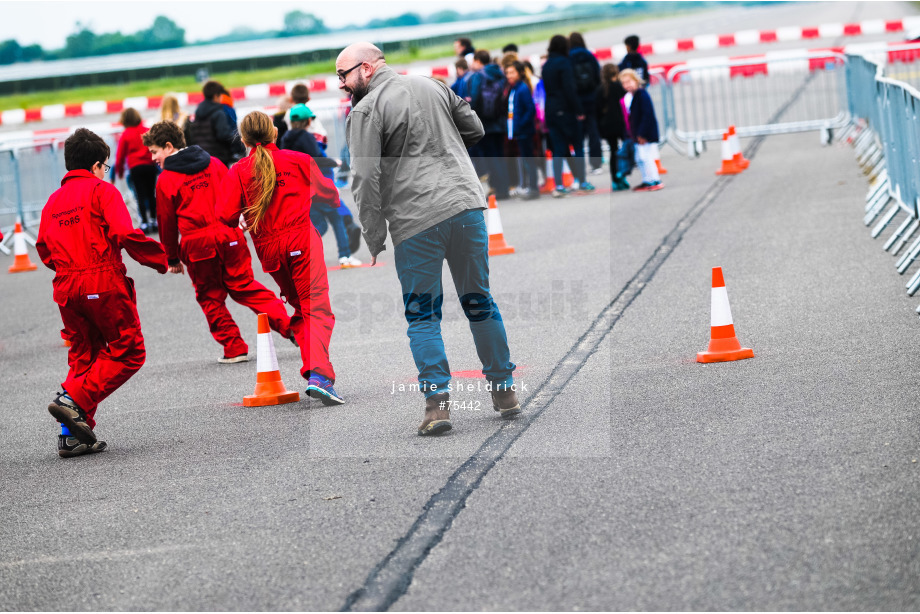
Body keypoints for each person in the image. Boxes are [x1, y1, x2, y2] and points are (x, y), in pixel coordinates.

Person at [336, 42, 521, 436]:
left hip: (416, 219)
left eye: (343, 75)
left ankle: (437, 407)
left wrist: (373, 234)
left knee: (423, 316)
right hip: (466, 205)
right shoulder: (434, 85)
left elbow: (365, 178)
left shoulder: (365, 111)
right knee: (479, 299)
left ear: (366, 68)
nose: (341, 85)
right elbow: (475, 128)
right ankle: (504, 392)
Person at [36, 128, 168, 458]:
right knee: (129, 350)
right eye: (105, 166)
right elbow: (125, 232)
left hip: (66, 286)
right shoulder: (101, 191)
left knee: (84, 357)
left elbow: (43, 248)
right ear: (96, 165)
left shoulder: (52, 202)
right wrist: (163, 259)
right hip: (100, 280)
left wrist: (70, 271)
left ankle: (72, 435)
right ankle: (73, 400)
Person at [218, 111, 346, 406]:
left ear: (244, 139)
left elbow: (224, 215)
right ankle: (319, 375)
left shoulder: (239, 170)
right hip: (301, 240)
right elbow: (331, 196)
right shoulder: (298, 160)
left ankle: (316, 372)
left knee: (302, 311)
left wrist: (245, 216)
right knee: (317, 309)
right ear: (274, 133)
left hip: (270, 249)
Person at [143, 120, 295, 363]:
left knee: (210, 296)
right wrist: (242, 218)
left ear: (168, 146)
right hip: (229, 234)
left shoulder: (166, 179)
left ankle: (234, 347)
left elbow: (166, 222)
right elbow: (235, 191)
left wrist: (171, 256)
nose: (152, 158)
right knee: (246, 286)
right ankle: (291, 327)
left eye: (154, 151)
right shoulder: (213, 162)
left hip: (198, 244)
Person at [280, 103, 362, 268]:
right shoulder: (307, 137)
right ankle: (345, 256)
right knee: (337, 219)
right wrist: (334, 162)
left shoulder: (284, 139)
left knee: (318, 225)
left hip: (301, 189)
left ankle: (299, 253)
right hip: (318, 186)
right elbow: (314, 160)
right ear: (308, 121)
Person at [542, 34, 595, 197]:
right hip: (566, 109)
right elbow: (569, 89)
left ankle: (559, 185)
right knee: (577, 146)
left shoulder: (546, 65)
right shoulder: (565, 63)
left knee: (558, 149)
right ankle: (582, 181)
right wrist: (579, 110)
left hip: (550, 109)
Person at [468, 49, 510, 200]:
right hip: (501, 121)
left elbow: (475, 99)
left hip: (486, 123)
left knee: (491, 158)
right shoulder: (500, 73)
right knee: (500, 155)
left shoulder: (479, 76)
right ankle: (505, 187)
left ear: (478, 61)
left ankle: (499, 190)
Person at [113, 107, 158, 234]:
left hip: (135, 167)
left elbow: (120, 156)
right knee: (151, 194)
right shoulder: (147, 130)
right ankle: (154, 221)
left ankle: (144, 222)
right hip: (150, 165)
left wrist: (120, 171)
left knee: (140, 195)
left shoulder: (126, 134)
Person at [619, 68, 662, 191]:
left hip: (645, 134)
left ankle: (655, 180)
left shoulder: (642, 95)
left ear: (636, 80)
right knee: (639, 158)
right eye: (624, 83)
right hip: (636, 134)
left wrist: (642, 134)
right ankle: (646, 180)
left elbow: (647, 115)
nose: (627, 85)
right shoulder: (631, 97)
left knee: (646, 157)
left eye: (629, 82)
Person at [187, 80, 245, 168]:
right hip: (219, 158)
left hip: (201, 156)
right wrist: (237, 139)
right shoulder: (218, 113)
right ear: (215, 96)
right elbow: (224, 135)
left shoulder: (198, 111)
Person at [569, 32, 604, 173]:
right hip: (592, 98)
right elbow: (598, 76)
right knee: (593, 132)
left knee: (578, 135)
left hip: (577, 101)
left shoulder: (569, 58)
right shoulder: (590, 55)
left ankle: (579, 167)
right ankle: (596, 164)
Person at [505, 61, 538, 200]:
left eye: (512, 72)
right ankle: (529, 186)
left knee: (528, 160)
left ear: (519, 73)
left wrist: (521, 125)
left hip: (524, 131)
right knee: (525, 160)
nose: (509, 76)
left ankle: (533, 188)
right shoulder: (514, 89)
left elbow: (530, 109)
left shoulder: (522, 89)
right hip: (517, 131)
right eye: (507, 73)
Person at [596, 63, 628, 191]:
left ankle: (615, 179)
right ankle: (623, 175)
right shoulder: (620, 88)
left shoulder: (600, 90)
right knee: (625, 150)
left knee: (613, 151)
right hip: (621, 123)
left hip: (607, 126)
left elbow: (596, 111)